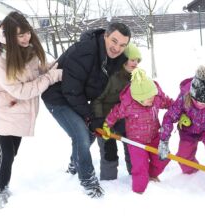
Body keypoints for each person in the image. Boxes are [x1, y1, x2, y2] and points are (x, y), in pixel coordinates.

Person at [0, 11, 62, 209]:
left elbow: (41, 68)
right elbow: (22, 90)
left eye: (27, 33)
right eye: (20, 35)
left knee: (11, 152)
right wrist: (50, 78)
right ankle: (1, 189)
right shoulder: (0, 60)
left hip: (19, 111)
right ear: (9, 37)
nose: (26, 38)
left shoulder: (29, 51)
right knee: (8, 153)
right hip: (2, 111)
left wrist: (57, 67)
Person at [41, 22, 131, 198]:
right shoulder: (85, 51)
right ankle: (88, 180)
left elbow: (109, 88)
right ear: (105, 35)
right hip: (57, 95)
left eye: (122, 45)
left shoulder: (116, 59)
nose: (117, 48)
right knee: (81, 133)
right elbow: (71, 90)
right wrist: (91, 117)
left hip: (77, 95)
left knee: (90, 134)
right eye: (114, 41)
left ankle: (75, 163)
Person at [158, 65, 205, 193]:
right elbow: (169, 117)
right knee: (183, 156)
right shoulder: (184, 97)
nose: (204, 105)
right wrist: (164, 141)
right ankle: (192, 175)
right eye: (200, 102)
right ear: (192, 96)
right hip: (189, 130)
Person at [102, 68, 173, 193]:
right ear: (138, 98)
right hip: (136, 143)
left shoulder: (155, 99)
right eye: (148, 98)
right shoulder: (128, 105)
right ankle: (138, 191)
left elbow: (169, 103)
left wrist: (181, 112)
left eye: (152, 95)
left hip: (154, 137)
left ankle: (151, 174)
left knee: (163, 158)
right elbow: (115, 113)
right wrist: (107, 126)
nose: (152, 99)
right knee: (140, 167)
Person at [91, 43, 141, 180]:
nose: (135, 63)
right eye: (132, 59)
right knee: (109, 152)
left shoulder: (137, 77)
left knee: (132, 147)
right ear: (124, 59)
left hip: (125, 119)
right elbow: (97, 99)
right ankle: (109, 181)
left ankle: (136, 176)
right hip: (106, 119)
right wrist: (100, 121)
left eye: (138, 60)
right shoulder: (111, 77)